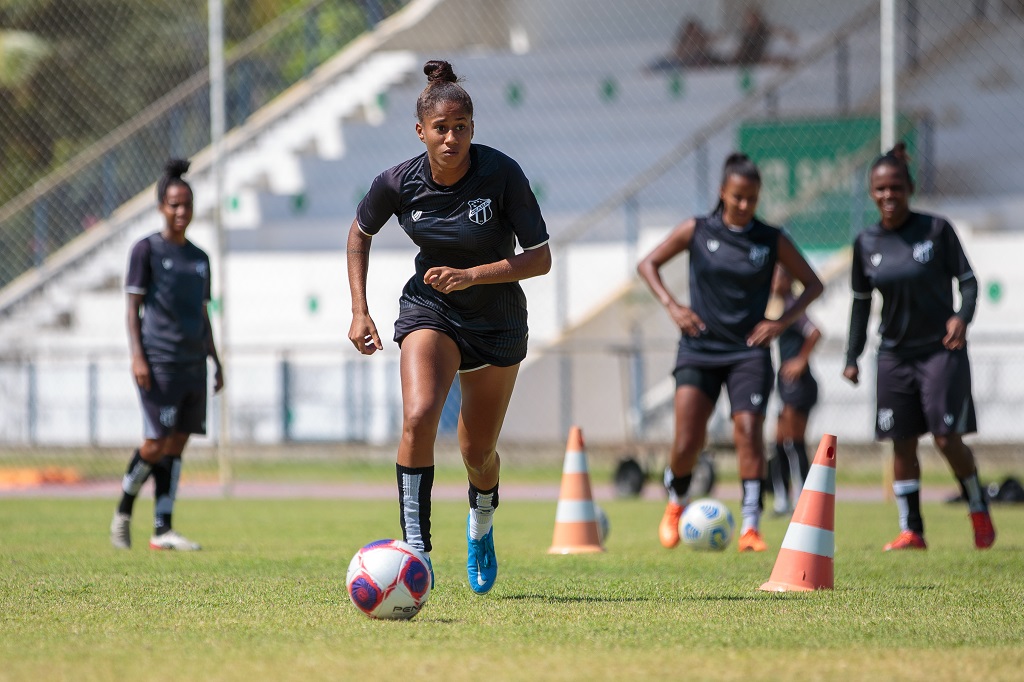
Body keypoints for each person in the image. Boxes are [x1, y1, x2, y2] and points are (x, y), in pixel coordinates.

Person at [346, 59, 551, 593]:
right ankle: (416, 551)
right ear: (421, 132)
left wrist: (473, 275)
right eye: (441, 128)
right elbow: (359, 232)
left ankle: (481, 523)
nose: (452, 137)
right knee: (418, 416)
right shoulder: (397, 182)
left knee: (476, 453)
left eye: (461, 127)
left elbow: (540, 258)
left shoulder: (501, 174)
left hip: (497, 321)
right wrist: (359, 310)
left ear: (473, 130)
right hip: (430, 309)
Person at [637, 152, 822, 553]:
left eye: (752, 199)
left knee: (748, 433)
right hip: (698, 348)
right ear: (723, 192)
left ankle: (751, 525)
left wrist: (779, 322)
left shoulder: (770, 238)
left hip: (748, 353)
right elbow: (648, 264)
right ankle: (675, 503)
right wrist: (674, 306)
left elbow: (812, 284)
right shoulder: (696, 229)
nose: (744, 205)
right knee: (687, 440)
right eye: (738, 197)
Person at [843, 142, 995, 551]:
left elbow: (968, 280)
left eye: (895, 188)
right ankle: (912, 529)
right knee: (902, 440)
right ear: (871, 193)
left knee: (946, 438)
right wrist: (852, 357)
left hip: (939, 351)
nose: (888, 196)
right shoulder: (866, 243)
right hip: (893, 355)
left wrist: (962, 316)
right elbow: (861, 306)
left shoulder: (936, 230)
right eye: (879, 189)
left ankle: (978, 506)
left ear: (909, 188)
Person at [109, 159, 224, 551]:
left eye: (186, 205)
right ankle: (123, 511)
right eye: (173, 204)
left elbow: (204, 315)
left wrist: (216, 361)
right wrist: (137, 357)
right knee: (156, 441)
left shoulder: (200, 258)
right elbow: (132, 310)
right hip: (158, 363)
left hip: (193, 364)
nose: (180, 212)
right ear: (161, 206)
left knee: (176, 445)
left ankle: (163, 529)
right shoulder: (146, 251)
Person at [767, 264, 821, 516]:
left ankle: (803, 502)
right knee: (778, 445)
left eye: (780, 275)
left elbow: (815, 332)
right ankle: (781, 501)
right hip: (784, 384)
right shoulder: (774, 307)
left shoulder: (793, 307)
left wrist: (801, 360)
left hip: (798, 385)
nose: (775, 280)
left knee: (793, 443)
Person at [647, 17, 721, 72]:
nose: (692, 37)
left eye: (695, 34)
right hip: (678, 64)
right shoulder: (682, 46)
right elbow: (676, 57)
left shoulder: (704, 47)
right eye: (690, 34)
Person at [732, 5, 798, 67]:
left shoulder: (763, 30)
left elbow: (777, 30)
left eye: (752, 19)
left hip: (758, 56)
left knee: (769, 59)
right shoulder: (746, 32)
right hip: (746, 57)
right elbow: (742, 48)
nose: (750, 21)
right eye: (748, 19)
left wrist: (788, 34)